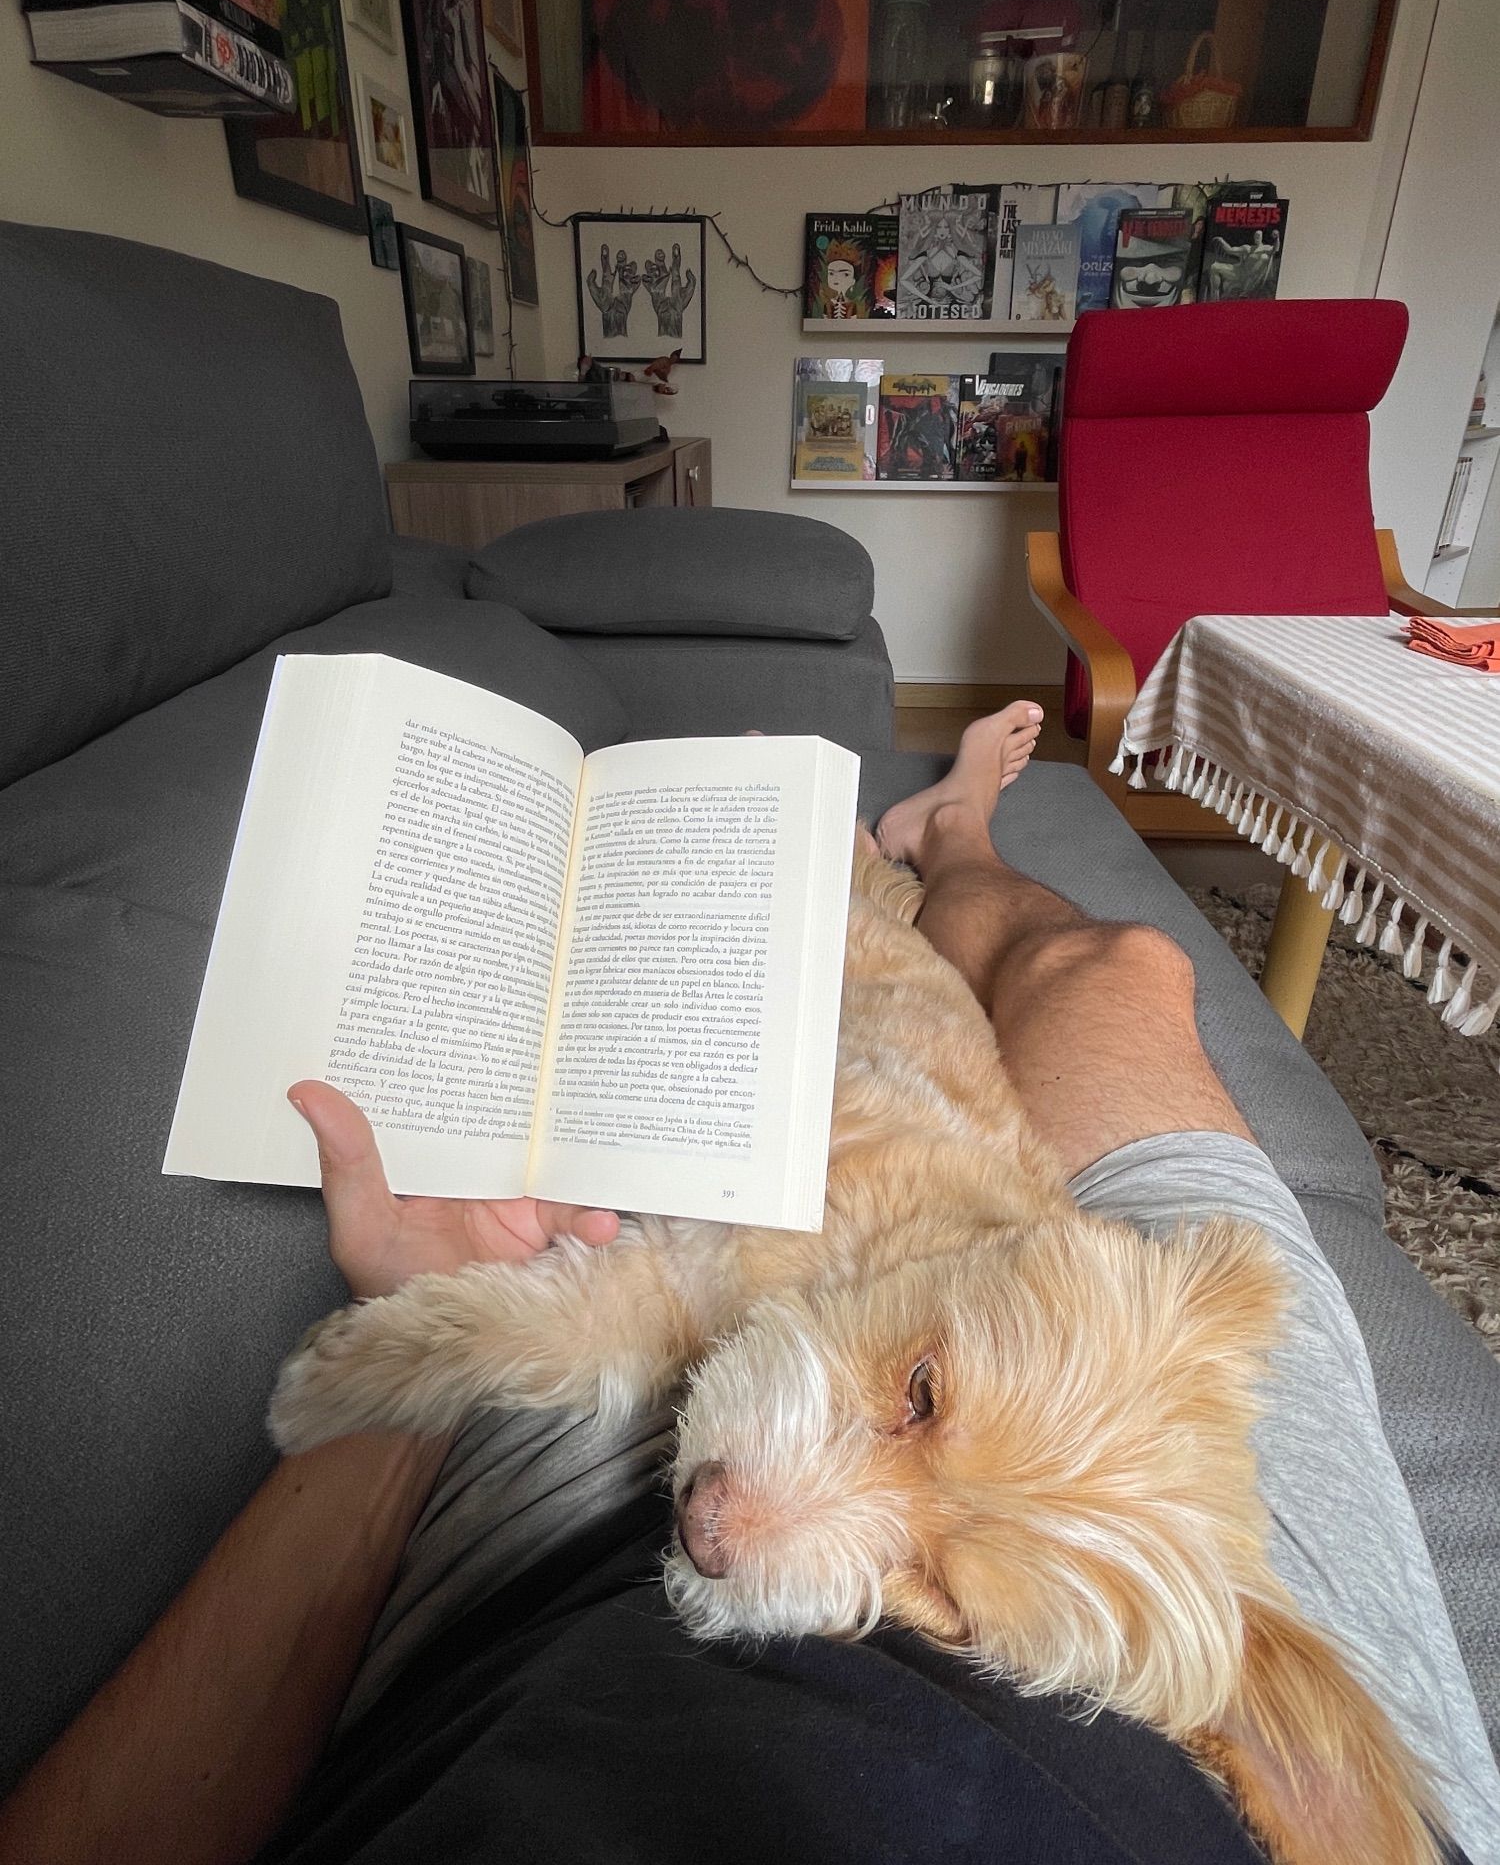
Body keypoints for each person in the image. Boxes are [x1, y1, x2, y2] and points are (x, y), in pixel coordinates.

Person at [3, 707, 1497, 1865]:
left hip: (648, 1572)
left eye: (944, 1606)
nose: (722, 1525)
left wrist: (409, 1378)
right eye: (914, 1398)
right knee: (1116, 973)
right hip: (1190, 1492)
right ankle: (958, 832)